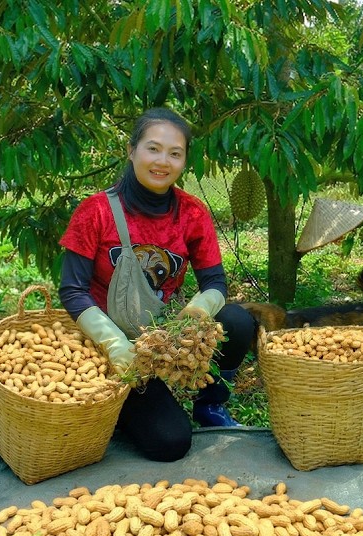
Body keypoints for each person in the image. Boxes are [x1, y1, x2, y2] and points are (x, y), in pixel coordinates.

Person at [58, 107, 257, 462]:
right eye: (153, 149)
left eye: (174, 153)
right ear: (131, 150)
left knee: (238, 321)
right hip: (107, 342)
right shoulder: (96, 211)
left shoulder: (192, 213)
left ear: (184, 161)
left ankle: (210, 405)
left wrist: (197, 311)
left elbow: (214, 281)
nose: (162, 161)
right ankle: (122, 405)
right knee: (170, 442)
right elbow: (72, 290)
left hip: (161, 335)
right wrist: (114, 344)